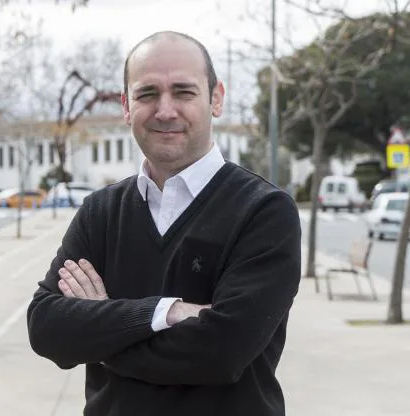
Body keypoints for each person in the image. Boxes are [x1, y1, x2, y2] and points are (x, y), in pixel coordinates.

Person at [27, 30, 301, 416]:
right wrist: (165, 312)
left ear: (216, 98)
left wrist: (101, 331)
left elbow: (221, 354)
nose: (165, 110)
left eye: (184, 92)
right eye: (147, 94)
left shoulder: (265, 211)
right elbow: (45, 327)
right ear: (126, 105)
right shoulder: (100, 211)